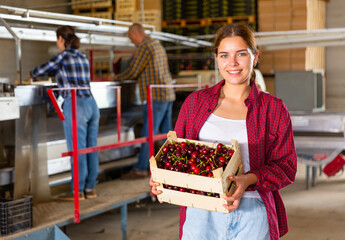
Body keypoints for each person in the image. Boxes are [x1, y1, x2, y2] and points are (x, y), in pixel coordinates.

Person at [150, 23, 297, 240]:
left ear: (255, 57)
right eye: (224, 55)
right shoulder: (195, 104)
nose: (233, 63)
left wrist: (248, 179)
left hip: (252, 211)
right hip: (201, 211)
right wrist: (163, 180)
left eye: (241, 54)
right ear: (216, 59)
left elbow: (287, 166)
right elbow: (176, 155)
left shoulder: (273, 108)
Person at [29, 25, 100, 200]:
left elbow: (38, 71)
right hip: (91, 104)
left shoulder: (63, 57)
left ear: (61, 39)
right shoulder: (83, 57)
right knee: (91, 149)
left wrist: (30, 73)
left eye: (57, 39)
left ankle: (77, 192)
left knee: (77, 150)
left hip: (76, 105)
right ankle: (90, 189)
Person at [110, 23, 176, 179]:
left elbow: (134, 70)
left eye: (131, 38)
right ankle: (174, 164)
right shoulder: (156, 44)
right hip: (167, 93)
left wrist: (115, 78)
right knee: (168, 133)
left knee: (148, 133)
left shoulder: (144, 47)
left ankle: (140, 168)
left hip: (156, 96)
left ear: (135, 34)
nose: (132, 42)